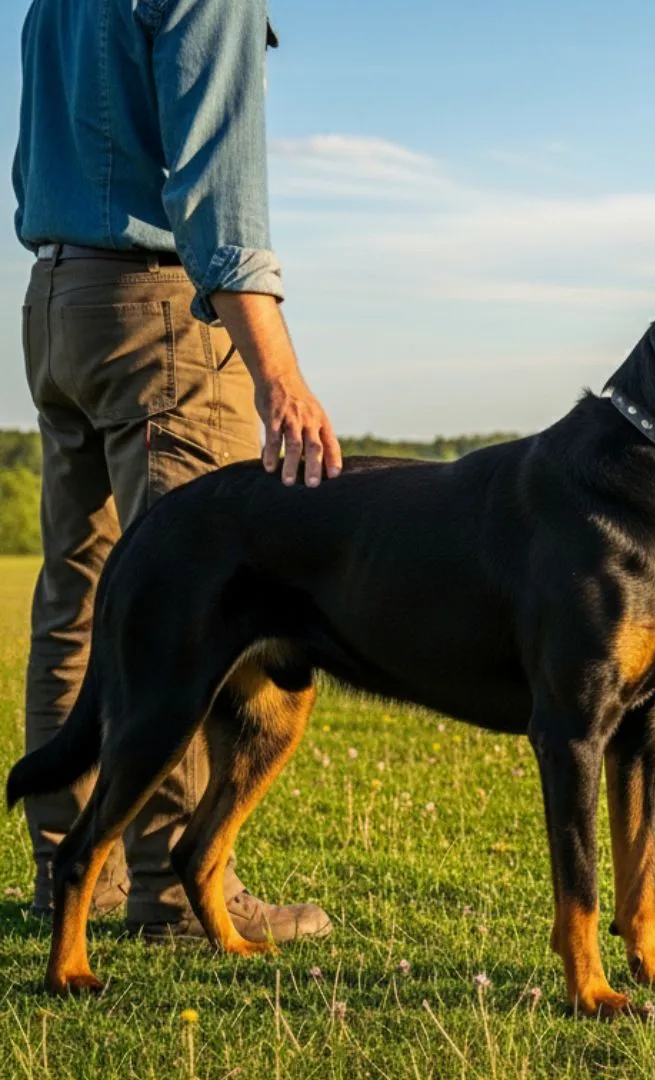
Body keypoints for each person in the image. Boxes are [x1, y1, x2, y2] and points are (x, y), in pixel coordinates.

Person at [14, 0, 340, 941]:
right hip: (157, 313)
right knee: (195, 608)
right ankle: (170, 889)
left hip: (57, 298)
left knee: (80, 600)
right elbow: (219, 197)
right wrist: (281, 376)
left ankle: (71, 871)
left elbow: (33, 163)